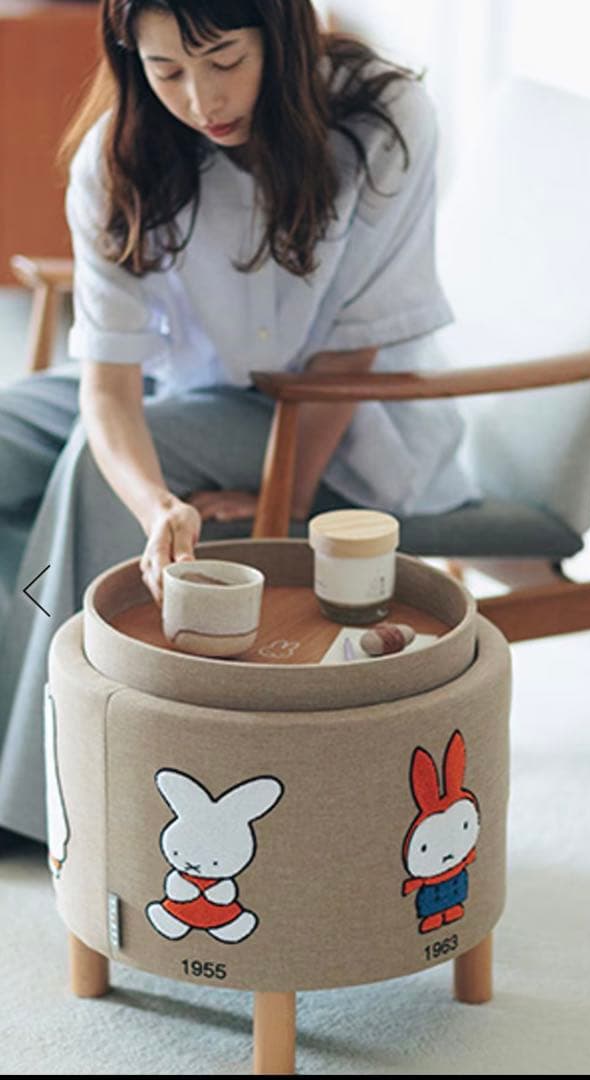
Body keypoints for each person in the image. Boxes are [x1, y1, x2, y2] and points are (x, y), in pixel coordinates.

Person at [0, 0, 479, 849]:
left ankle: (46, 802)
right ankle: (17, 728)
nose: (201, 99)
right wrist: (157, 506)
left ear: (281, 34)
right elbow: (108, 390)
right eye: (166, 71)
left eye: (224, 61)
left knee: (88, 466)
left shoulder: (382, 121)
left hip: (331, 415)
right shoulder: (119, 156)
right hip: (174, 386)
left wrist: (281, 500)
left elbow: (348, 357)